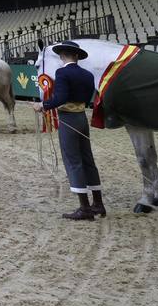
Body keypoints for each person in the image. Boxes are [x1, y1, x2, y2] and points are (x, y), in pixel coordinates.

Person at [32, 41, 104, 219]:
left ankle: (85, 209)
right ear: (77, 56)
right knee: (87, 159)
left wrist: (43, 105)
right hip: (81, 117)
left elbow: (61, 98)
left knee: (73, 160)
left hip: (68, 119)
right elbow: (89, 96)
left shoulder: (62, 72)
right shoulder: (87, 75)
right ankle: (98, 204)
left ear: (62, 55)